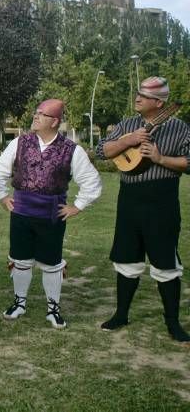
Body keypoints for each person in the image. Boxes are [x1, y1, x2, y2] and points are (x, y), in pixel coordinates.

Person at [0, 99, 102, 329]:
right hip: (21, 213)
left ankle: (53, 308)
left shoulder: (72, 150)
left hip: (52, 216)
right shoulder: (19, 143)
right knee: (20, 260)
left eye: (42, 114)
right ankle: (19, 303)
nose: (36, 116)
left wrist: (77, 206)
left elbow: (92, 181)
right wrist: (2, 196)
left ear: (55, 121)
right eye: (36, 112)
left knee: (51, 263)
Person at [97, 77, 190, 342]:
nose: (136, 98)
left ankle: (173, 323)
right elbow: (102, 150)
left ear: (159, 102)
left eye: (143, 95)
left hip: (162, 201)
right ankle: (121, 314)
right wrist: (129, 141)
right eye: (137, 93)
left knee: (166, 262)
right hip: (129, 200)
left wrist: (160, 159)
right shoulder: (127, 125)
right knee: (126, 259)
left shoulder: (180, 128)